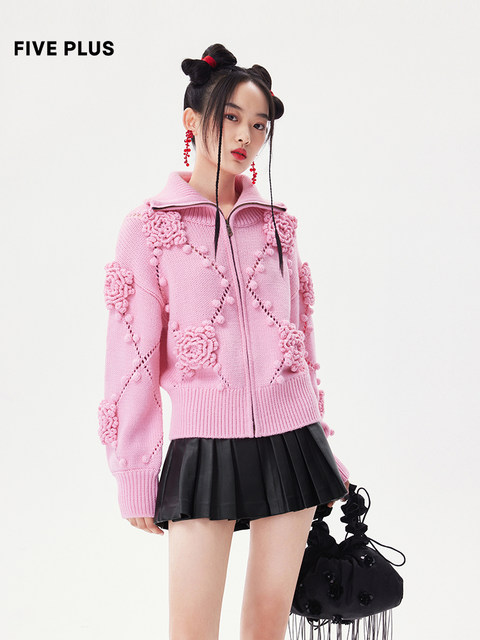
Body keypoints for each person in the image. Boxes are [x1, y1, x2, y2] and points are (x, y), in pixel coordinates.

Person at [98, 42, 351, 640]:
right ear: (191, 120)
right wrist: (135, 472)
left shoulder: (277, 223)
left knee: (267, 625)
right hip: (204, 445)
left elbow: (300, 340)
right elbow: (131, 357)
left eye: (259, 125)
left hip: (294, 440)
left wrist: (323, 441)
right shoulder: (149, 226)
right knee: (192, 630)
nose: (245, 135)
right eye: (231, 117)